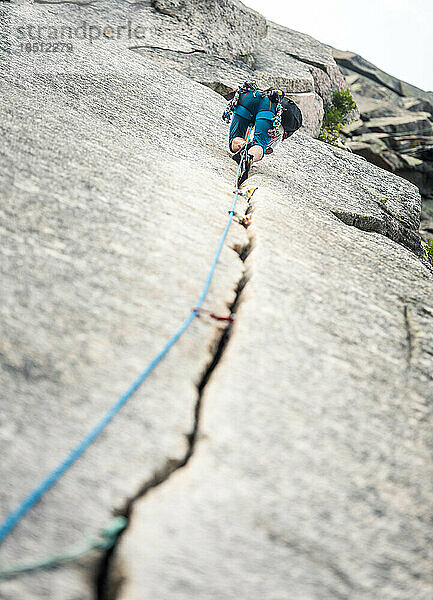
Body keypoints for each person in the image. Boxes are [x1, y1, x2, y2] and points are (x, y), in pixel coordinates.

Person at [224, 84, 303, 184]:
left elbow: (247, 131)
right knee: (260, 145)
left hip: (249, 96)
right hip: (269, 107)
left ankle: (243, 146)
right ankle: (248, 157)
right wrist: (257, 148)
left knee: (234, 140)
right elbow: (267, 149)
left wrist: (247, 143)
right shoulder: (281, 128)